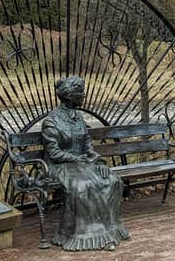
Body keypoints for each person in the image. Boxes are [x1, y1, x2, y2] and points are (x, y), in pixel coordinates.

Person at [41, 76, 130, 251]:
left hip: (83, 164)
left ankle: (110, 230)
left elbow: (88, 146)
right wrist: (76, 159)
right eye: (81, 93)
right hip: (60, 166)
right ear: (70, 96)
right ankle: (84, 235)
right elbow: (54, 153)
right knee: (82, 186)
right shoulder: (51, 121)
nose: (84, 95)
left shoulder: (79, 119)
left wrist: (100, 162)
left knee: (111, 181)